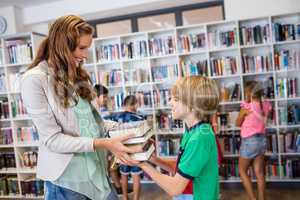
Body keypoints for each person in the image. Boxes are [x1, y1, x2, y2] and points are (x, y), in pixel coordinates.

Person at [21, 15, 141, 200]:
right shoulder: (34, 80)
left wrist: (133, 131)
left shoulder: (80, 77)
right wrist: (103, 143)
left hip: (98, 174)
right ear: (62, 45)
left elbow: (94, 123)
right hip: (67, 182)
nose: (85, 55)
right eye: (81, 48)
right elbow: (53, 140)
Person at [138, 75, 220, 200]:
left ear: (192, 104)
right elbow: (180, 167)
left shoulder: (199, 138)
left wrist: (141, 164)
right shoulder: (193, 131)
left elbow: (175, 188)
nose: (170, 102)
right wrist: (150, 158)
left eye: (176, 99)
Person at [236, 81, 272, 200]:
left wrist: (243, 115)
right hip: (262, 141)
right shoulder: (266, 105)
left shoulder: (247, 107)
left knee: (242, 171)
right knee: (260, 173)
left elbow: (237, 123)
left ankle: (253, 199)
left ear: (249, 93)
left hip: (249, 142)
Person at [114, 95, 144, 200]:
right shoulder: (140, 118)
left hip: (122, 150)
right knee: (136, 177)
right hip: (136, 151)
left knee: (124, 175)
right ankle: (136, 199)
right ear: (135, 105)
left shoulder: (116, 118)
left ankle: (125, 197)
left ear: (123, 105)